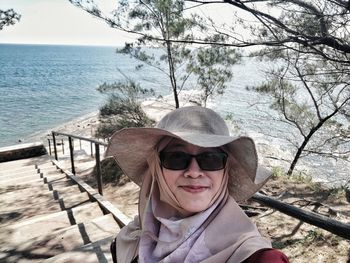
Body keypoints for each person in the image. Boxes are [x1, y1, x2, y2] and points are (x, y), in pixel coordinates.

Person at [106, 106, 289, 263]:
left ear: (225, 171)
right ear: (156, 169)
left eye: (210, 158)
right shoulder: (129, 240)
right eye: (177, 157)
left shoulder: (258, 258)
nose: (194, 172)